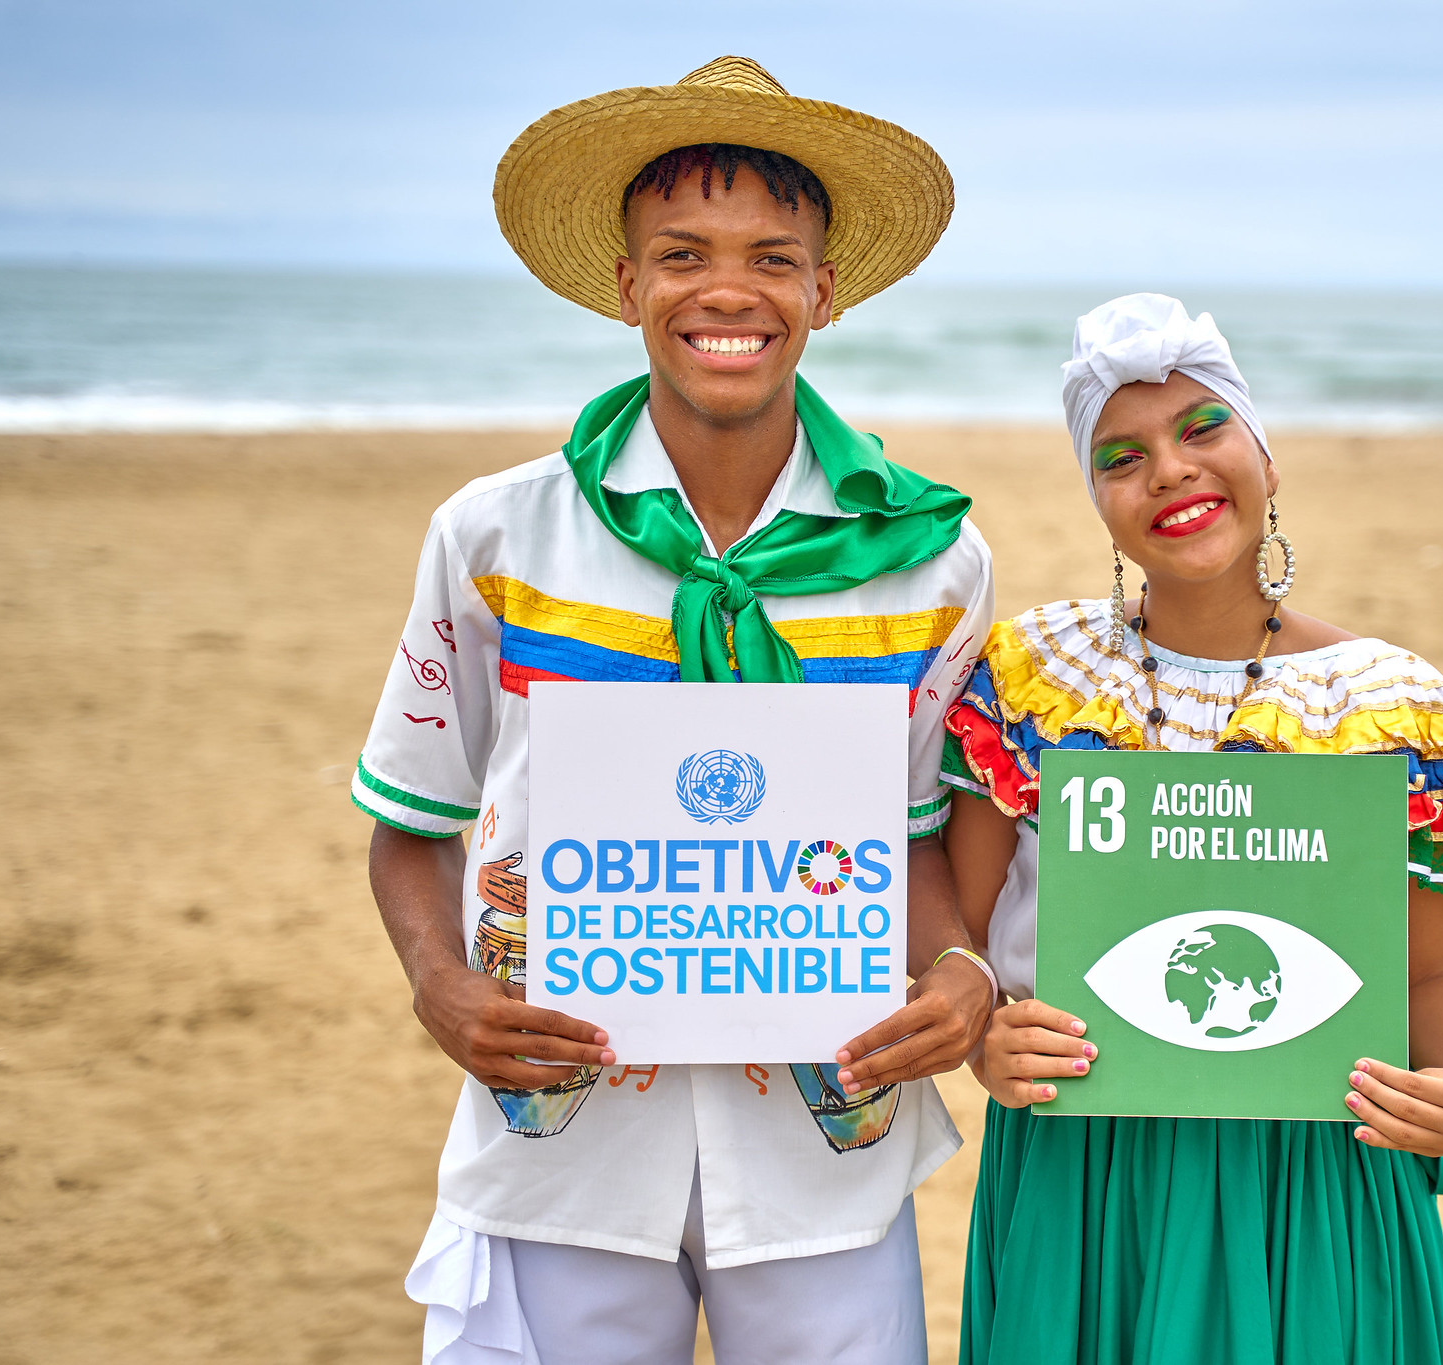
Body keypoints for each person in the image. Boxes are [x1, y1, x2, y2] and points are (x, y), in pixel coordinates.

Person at [354, 57, 1000, 1365]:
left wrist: (963, 977)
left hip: (827, 1137)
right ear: (626, 283)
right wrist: (439, 986)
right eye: (682, 253)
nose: (726, 291)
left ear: (823, 288)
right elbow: (411, 812)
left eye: (772, 257)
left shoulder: (933, 565)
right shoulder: (495, 535)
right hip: (558, 1139)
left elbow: (921, 833)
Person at [940, 294, 1443, 1363]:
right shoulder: (1036, 674)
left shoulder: (1386, 701)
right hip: (1085, 1163)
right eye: (1121, 456)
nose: (1168, 469)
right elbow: (959, 939)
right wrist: (982, 1037)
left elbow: (1422, 977)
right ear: (1098, 503)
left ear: (1265, 457)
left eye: (1201, 428)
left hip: (1314, 1172)